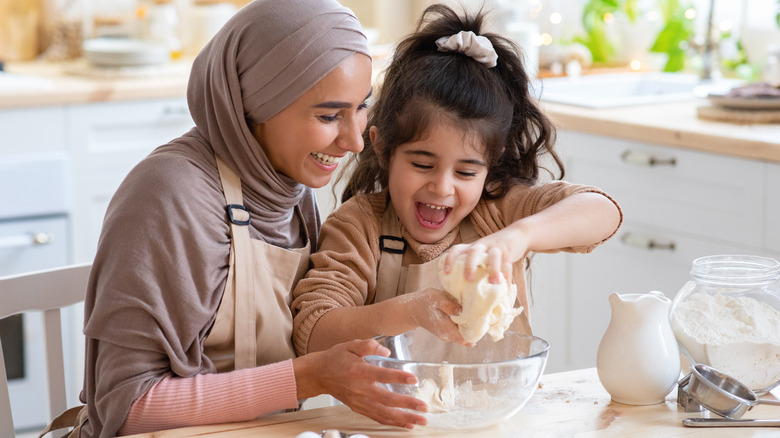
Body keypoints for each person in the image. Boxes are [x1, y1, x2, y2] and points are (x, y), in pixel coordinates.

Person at [71, 1, 428, 437]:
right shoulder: (168, 195)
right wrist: (307, 377)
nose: (355, 141)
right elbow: (124, 407)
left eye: (361, 107)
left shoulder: (291, 191)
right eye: (329, 115)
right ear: (255, 105)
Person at [291, 4, 623, 355]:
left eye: (466, 172)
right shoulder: (360, 227)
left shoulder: (496, 212)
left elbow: (604, 213)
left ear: (490, 167)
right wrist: (409, 312)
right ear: (383, 148)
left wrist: (518, 237)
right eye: (422, 164)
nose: (442, 187)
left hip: (498, 406)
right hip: (382, 410)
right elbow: (313, 332)